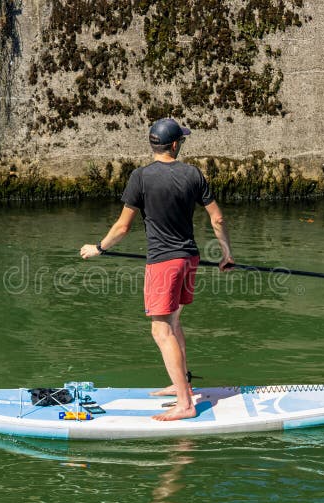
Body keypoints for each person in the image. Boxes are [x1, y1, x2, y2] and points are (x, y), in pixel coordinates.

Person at [80, 118, 234, 421]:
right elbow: (217, 219)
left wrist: (98, 248)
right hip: (189, 258)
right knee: (174, 323)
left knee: (160, 330)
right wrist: (227, 254)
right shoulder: (193, 174)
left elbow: (123, 227)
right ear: (174, 145)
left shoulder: (140, 177)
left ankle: (185, 405)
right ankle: (184, 387)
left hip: (164, 264)